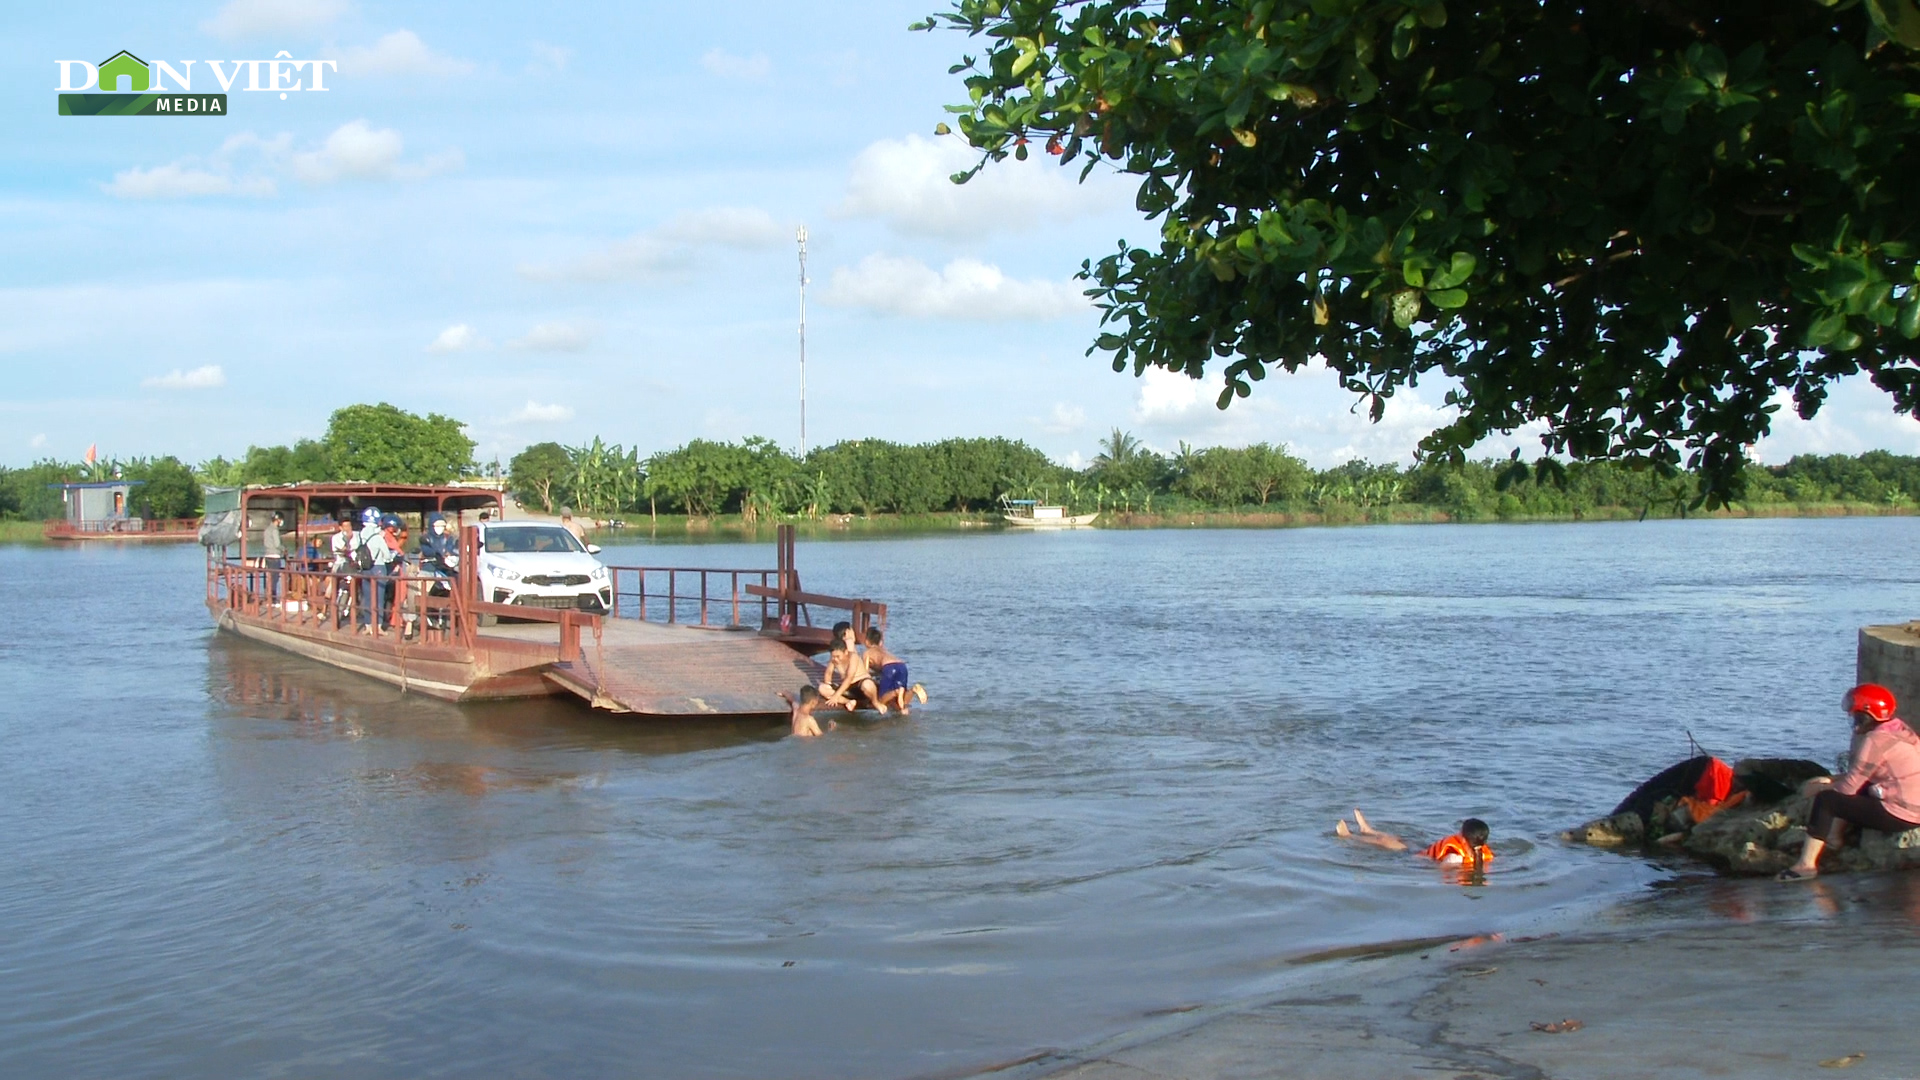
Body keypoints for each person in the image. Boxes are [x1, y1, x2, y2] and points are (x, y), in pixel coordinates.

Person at [1778, 683, 1920, 882]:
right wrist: (1833, 779)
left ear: (1866, 715)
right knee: (1854, 789)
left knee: (1827, 800)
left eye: (1855, 714)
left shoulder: (1876, 740)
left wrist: (1820, 787)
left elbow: (1847, 789)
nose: (1852, 719)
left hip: (1901, 814)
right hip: (1913, 804)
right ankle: (1834, 837)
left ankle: (1806, 865)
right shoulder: (1901, 729)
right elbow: (1865, 775)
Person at [1336, 809, 1495, 874]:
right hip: (1427, 851)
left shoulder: (1455, 856)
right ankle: (1368, 831)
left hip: (1415, 857)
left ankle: (1349, 836)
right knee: (1401, 838)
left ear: (1463, 837)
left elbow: (1442, 869)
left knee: (1386, 842)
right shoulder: (1482, 852)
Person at [863, 626, 927, 715]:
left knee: (881, 700)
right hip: (901, 666)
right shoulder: (884, 650)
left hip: (889, 668)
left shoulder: (867, 653)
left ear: (866, 641)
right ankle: (913, 690)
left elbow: (865, 673)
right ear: (880, 642)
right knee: (901, 700)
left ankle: (896, 692)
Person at [820, 642, 886, 714]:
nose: (835, 659)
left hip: (860, 685)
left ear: (845, 652)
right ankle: (848, 702)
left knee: (867, 684)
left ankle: (875, 702)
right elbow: (828, 674)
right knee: (822, 688)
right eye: (833, 656)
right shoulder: (833, 660)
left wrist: (836, 695)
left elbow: (849, 678)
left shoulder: (853, 657)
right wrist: (828, 686)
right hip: (848, 689)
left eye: (838, 656)